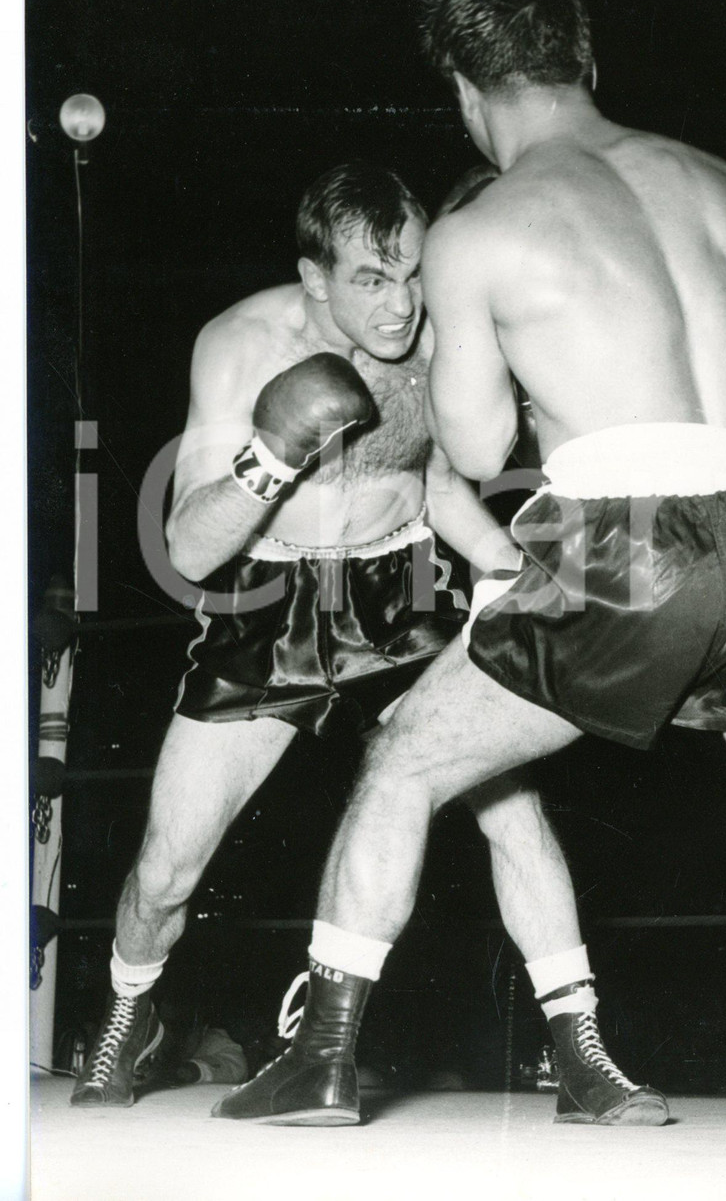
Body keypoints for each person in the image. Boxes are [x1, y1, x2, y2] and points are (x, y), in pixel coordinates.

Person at [214, 0, 726, 1128]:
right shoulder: (718, 181)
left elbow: (467, 451)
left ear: (469, 95)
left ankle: (320, 1061)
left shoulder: (484, 228)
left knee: (405, 762)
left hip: (629, 540)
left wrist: (530, 378)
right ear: (585, 63)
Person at [71, 160, 663, 1126]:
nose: (400, 307)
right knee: (171, 862)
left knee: (510, 807)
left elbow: (434, 483)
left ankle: (580, 1048)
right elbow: (186, 545)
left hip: (405, 588)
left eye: (413, 275)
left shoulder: (443, 336)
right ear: (315, 280)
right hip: (268, 598)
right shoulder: (240, 343)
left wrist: (511, 570)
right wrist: (272, 457)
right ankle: (128, 1012)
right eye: (371, 282)